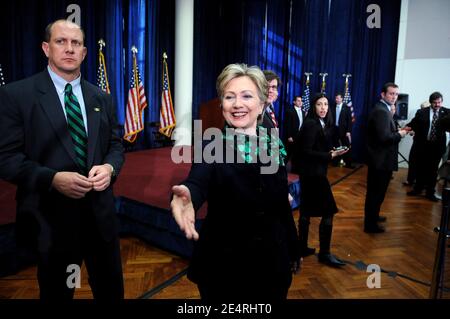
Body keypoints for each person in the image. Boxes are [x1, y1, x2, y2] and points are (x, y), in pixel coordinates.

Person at [0, 19, 124, 300]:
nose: (69, 49)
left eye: (76, 43)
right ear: (46, 48)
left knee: (111, 290)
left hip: (100, 219)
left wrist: (109, 167)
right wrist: (52, 179)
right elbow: (6, 158)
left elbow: (116, 145)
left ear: (84, 52)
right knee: (57, 293)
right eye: (61, 41)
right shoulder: (16, 95)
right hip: (51, 222)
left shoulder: (101, 97)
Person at [170, 63, 299, 301]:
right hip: (224, 268)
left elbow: (279, 200)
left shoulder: (273, 144)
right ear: (222, 105)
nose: (237, 104)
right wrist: (188, 194)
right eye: (229, 97)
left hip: (272, 264)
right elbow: (198, 181)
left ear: (261, 104)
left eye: (246, 96)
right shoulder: (213, 145)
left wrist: (291, 248)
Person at [292, 93, 348, 267]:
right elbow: (305, 152)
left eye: (325, 104)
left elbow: (314, 147)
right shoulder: (311, 124)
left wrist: (332, 151)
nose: (323, 108)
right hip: (314, 175)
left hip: (312, 174)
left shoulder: (319, 123)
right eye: (319, 104)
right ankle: (325, 253)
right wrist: (329, 155)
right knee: (329, 211)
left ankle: (302, 248)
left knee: (306, 212)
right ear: (313, 107)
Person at [364, 83, 408, 233]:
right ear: (383, 94)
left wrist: (397, 130)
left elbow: (385, 132)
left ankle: (373, 217)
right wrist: (400, 134)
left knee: (378, 193)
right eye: (391, 94)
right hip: (380, 161)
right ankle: (370, 225)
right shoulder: (381, 111)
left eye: (396, 94)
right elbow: (384, 138)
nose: (394, 97)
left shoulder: (385, 110)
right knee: (375, 194)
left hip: (381, 160)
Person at [406, 92, 449, 201]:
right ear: (430, 102)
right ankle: (417, 189)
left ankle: (430, 192)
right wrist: (404, 129)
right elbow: (413, 124)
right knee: (420, 168)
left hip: (437, 147)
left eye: (439, 102)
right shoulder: (422, 112)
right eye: (435, 103)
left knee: (433, 170)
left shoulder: (447, 112)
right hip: (423, 146)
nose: (437, 104)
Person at [330, 92, 353, 168]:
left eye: (338, 98)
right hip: (335, 130)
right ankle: (335, 162)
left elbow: (349, 121)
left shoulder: (346, 107)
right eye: (336, 98)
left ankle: (348, 163)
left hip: (344, 131)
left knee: (346, 146)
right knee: (335, 146)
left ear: (342, 98)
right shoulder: (332, 107)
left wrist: (348, 131)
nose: (336, 99)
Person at [284, 95, 305, 162]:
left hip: (300, 137)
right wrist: (289, 136)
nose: (300, 102)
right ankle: (282, 168)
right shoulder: (290, 111)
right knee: (288, 153)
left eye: (301, 101)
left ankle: (295, 168)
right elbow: (287, 125)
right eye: (298, 101)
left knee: (298, 154)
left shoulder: (303, 112)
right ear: (294, 102)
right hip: (292, 136)